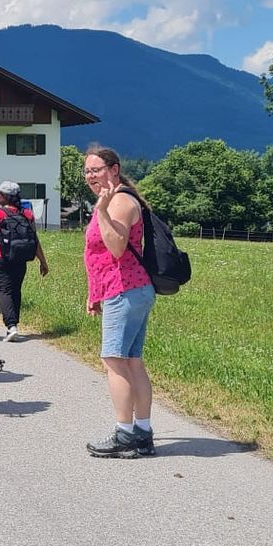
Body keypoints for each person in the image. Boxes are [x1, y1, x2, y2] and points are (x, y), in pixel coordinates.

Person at [82, 145, 156, 458]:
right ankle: (142, 432)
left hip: (125, 290)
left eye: (96, 170)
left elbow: (116, 247)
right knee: (132, 360)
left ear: (114, 170)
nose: (90, 176)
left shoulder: (120, 202)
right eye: (87, 171)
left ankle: (125, 433)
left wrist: (101, 210)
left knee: (114, 361)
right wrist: (95, 292)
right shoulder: (115, 200)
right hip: (125, 290)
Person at [0, 179, 48, 341]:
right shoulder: (27, 214)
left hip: (0, 257)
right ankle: (14, 325)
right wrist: (43, 261)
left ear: (3, 197)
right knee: (16, 289)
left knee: (3, 290)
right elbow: (34, 240)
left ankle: (11, 326)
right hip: (21, 257)